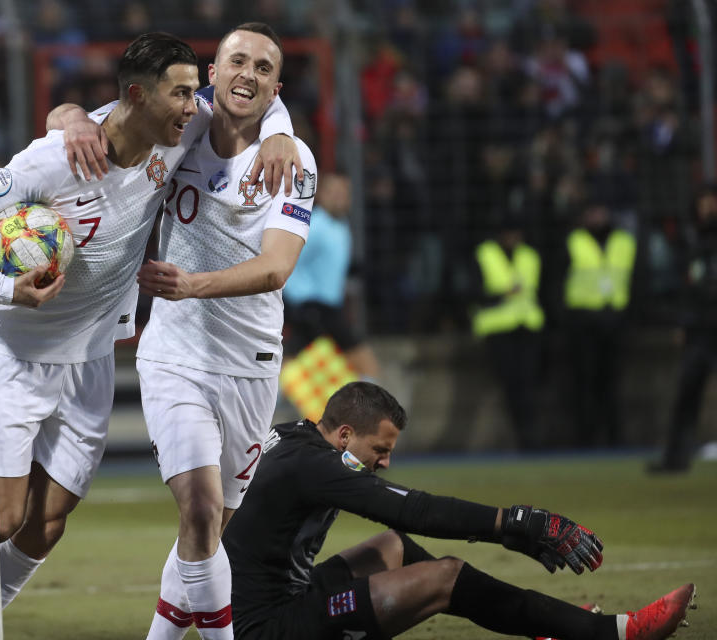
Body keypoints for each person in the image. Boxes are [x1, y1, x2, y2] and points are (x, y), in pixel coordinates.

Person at [0, 32, 299, 638]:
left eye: (196, 94)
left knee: (46, 526)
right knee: (2, 517)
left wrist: (281, 128)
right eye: (182, 94)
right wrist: (6, 287)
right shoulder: (57, 158)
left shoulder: (179, 132)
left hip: (90, 358)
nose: (193, 106)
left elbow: (244, 95)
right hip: (17, 352)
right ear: (140, 96)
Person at [223, 380, 697, 640]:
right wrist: (515, 522)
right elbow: (417, 511)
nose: (384, 463)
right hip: (268, 629)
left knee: (393, 548)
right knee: (444, 577)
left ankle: (544, 629)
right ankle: (609, 633)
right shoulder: (315, 465)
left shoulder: (294, 438)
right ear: (344, 434)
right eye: (379, 449)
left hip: (273, 602)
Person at [131, 23, 315, 640]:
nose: (248, 75)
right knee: (202, 507)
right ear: (212, 72)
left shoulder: (294, 160)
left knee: (210, 530)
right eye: (237, 61)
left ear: (276, 87)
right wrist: (72, 118)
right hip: (174, 351)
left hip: (251, 362)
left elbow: (276, 268)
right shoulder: (180, 125)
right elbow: (102, 115)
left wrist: (192, 283)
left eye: (264, 69)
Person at [282, 172, 381, 380]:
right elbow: (288, 262)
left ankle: (276, 395)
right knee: (364, 360)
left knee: (293, 358)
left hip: (328, 307)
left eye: (344, 193)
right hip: (312, 307)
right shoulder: (314, 225)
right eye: (333, 192)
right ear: (321, 195)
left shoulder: (341, 225)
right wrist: (296, 302)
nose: (339, 197)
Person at [649, 183, 717, 473]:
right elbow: (686, 289)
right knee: (687, 395)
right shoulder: (691, 240)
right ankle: (675, 459)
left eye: (711, 201)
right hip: (699, 329)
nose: (707, 207)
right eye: (703, 201)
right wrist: (683, 323)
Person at [560, 198, 636, 447]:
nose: (596, 217)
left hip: (615, 319)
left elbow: (637, 278)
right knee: (585, 382)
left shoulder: (624, 241)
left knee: (612, 383)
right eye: (591, 212)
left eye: (599, 210)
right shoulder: (573, 240)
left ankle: (615, 437)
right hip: (583, 322)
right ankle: (586, 439)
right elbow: (558, 280)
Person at [469, 215, 544, 449]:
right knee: (513, 384)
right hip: (498, 329)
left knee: (527, 384)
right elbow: (474, 292)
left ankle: (530, 437)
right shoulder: (485, 254)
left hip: (527, 326)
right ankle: (525, 438)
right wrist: (502, 294)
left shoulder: (530, 256)